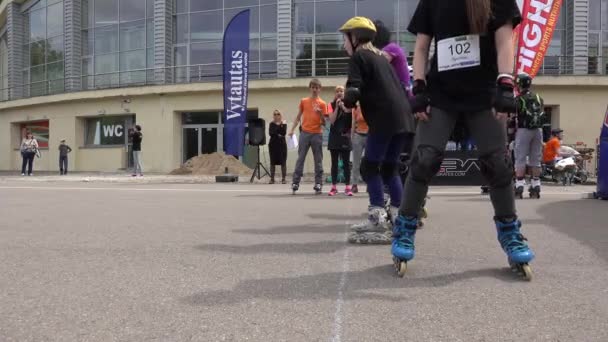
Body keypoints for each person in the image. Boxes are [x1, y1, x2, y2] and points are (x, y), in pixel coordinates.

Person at [392, 0, 535, 278]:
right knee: (424, 160)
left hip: (483, 94)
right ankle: (405, 229)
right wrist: (418, 86)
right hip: (441, 95)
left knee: (497, 164)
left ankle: (510, 232)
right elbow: (421, 47)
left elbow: (506, 41)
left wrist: (506, 84)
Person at [338, 17, 415, 243]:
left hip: (385, 119)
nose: (343, 45)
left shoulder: (360, 56)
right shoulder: (381, 58)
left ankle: (378, 221)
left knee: (369, 167)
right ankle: (402, 221)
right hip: (404, 119)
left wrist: (348, 102)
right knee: (389, 169)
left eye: (345, 38)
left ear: (355, 38)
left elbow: (354, 87)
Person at [288, 79, 328, 194]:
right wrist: (292, 130)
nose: (315, 89)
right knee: (300, 158)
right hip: (305, 133)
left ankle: (318, 183)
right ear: (310, 88)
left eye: (317, 87)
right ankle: (295, 182)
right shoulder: (304, 101)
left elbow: (324, 123)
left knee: (318, 160)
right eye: (313, 87)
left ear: (320, 89)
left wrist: (320, 113)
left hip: (317, 134)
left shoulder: (323, 103)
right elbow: (298, 117)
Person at [513, 73, 545, 199]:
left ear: (519, 84)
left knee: (520, 159)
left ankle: (519, 186)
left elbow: (513, 116)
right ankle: (536, 185)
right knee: (535, 160)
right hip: (538, 130)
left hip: (524, 130)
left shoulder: (518, 99)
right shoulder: (538, 97)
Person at [327, 86, 353, 196]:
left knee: (346, 163)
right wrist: (337, 107)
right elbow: (332, 121)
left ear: (344, 93)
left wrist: (343, 106)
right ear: (335, 93)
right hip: (334, 137)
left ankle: (348, 187)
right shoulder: (330, 104)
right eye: (337, 91)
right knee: (334, 163)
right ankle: (334, 187)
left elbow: (350, 116)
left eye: (341, 91)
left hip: (345, 137)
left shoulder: (349, 104)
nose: (339, 93)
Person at [350, 104, 368, 194]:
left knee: (370, 162)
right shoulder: (356, 108)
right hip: (358, 135)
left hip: (370, 135)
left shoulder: (371, 105)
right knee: (356, 162)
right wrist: (352, 137)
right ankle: (354, 185)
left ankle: (370, 184)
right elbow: (353, 122)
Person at [268, 110, 288, 184]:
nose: (276, 115)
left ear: (280, 115)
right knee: (272, 162)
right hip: (273, 145)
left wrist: (278, 131)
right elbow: (271, 133)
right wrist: (279, 130)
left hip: (282, 145)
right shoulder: (271, 124)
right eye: (275, 114)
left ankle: (283, 179)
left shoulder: (284, 123)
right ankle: (272, 179)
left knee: (283, 162)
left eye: (278, 114)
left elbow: (284, 132)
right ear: (273, 115)